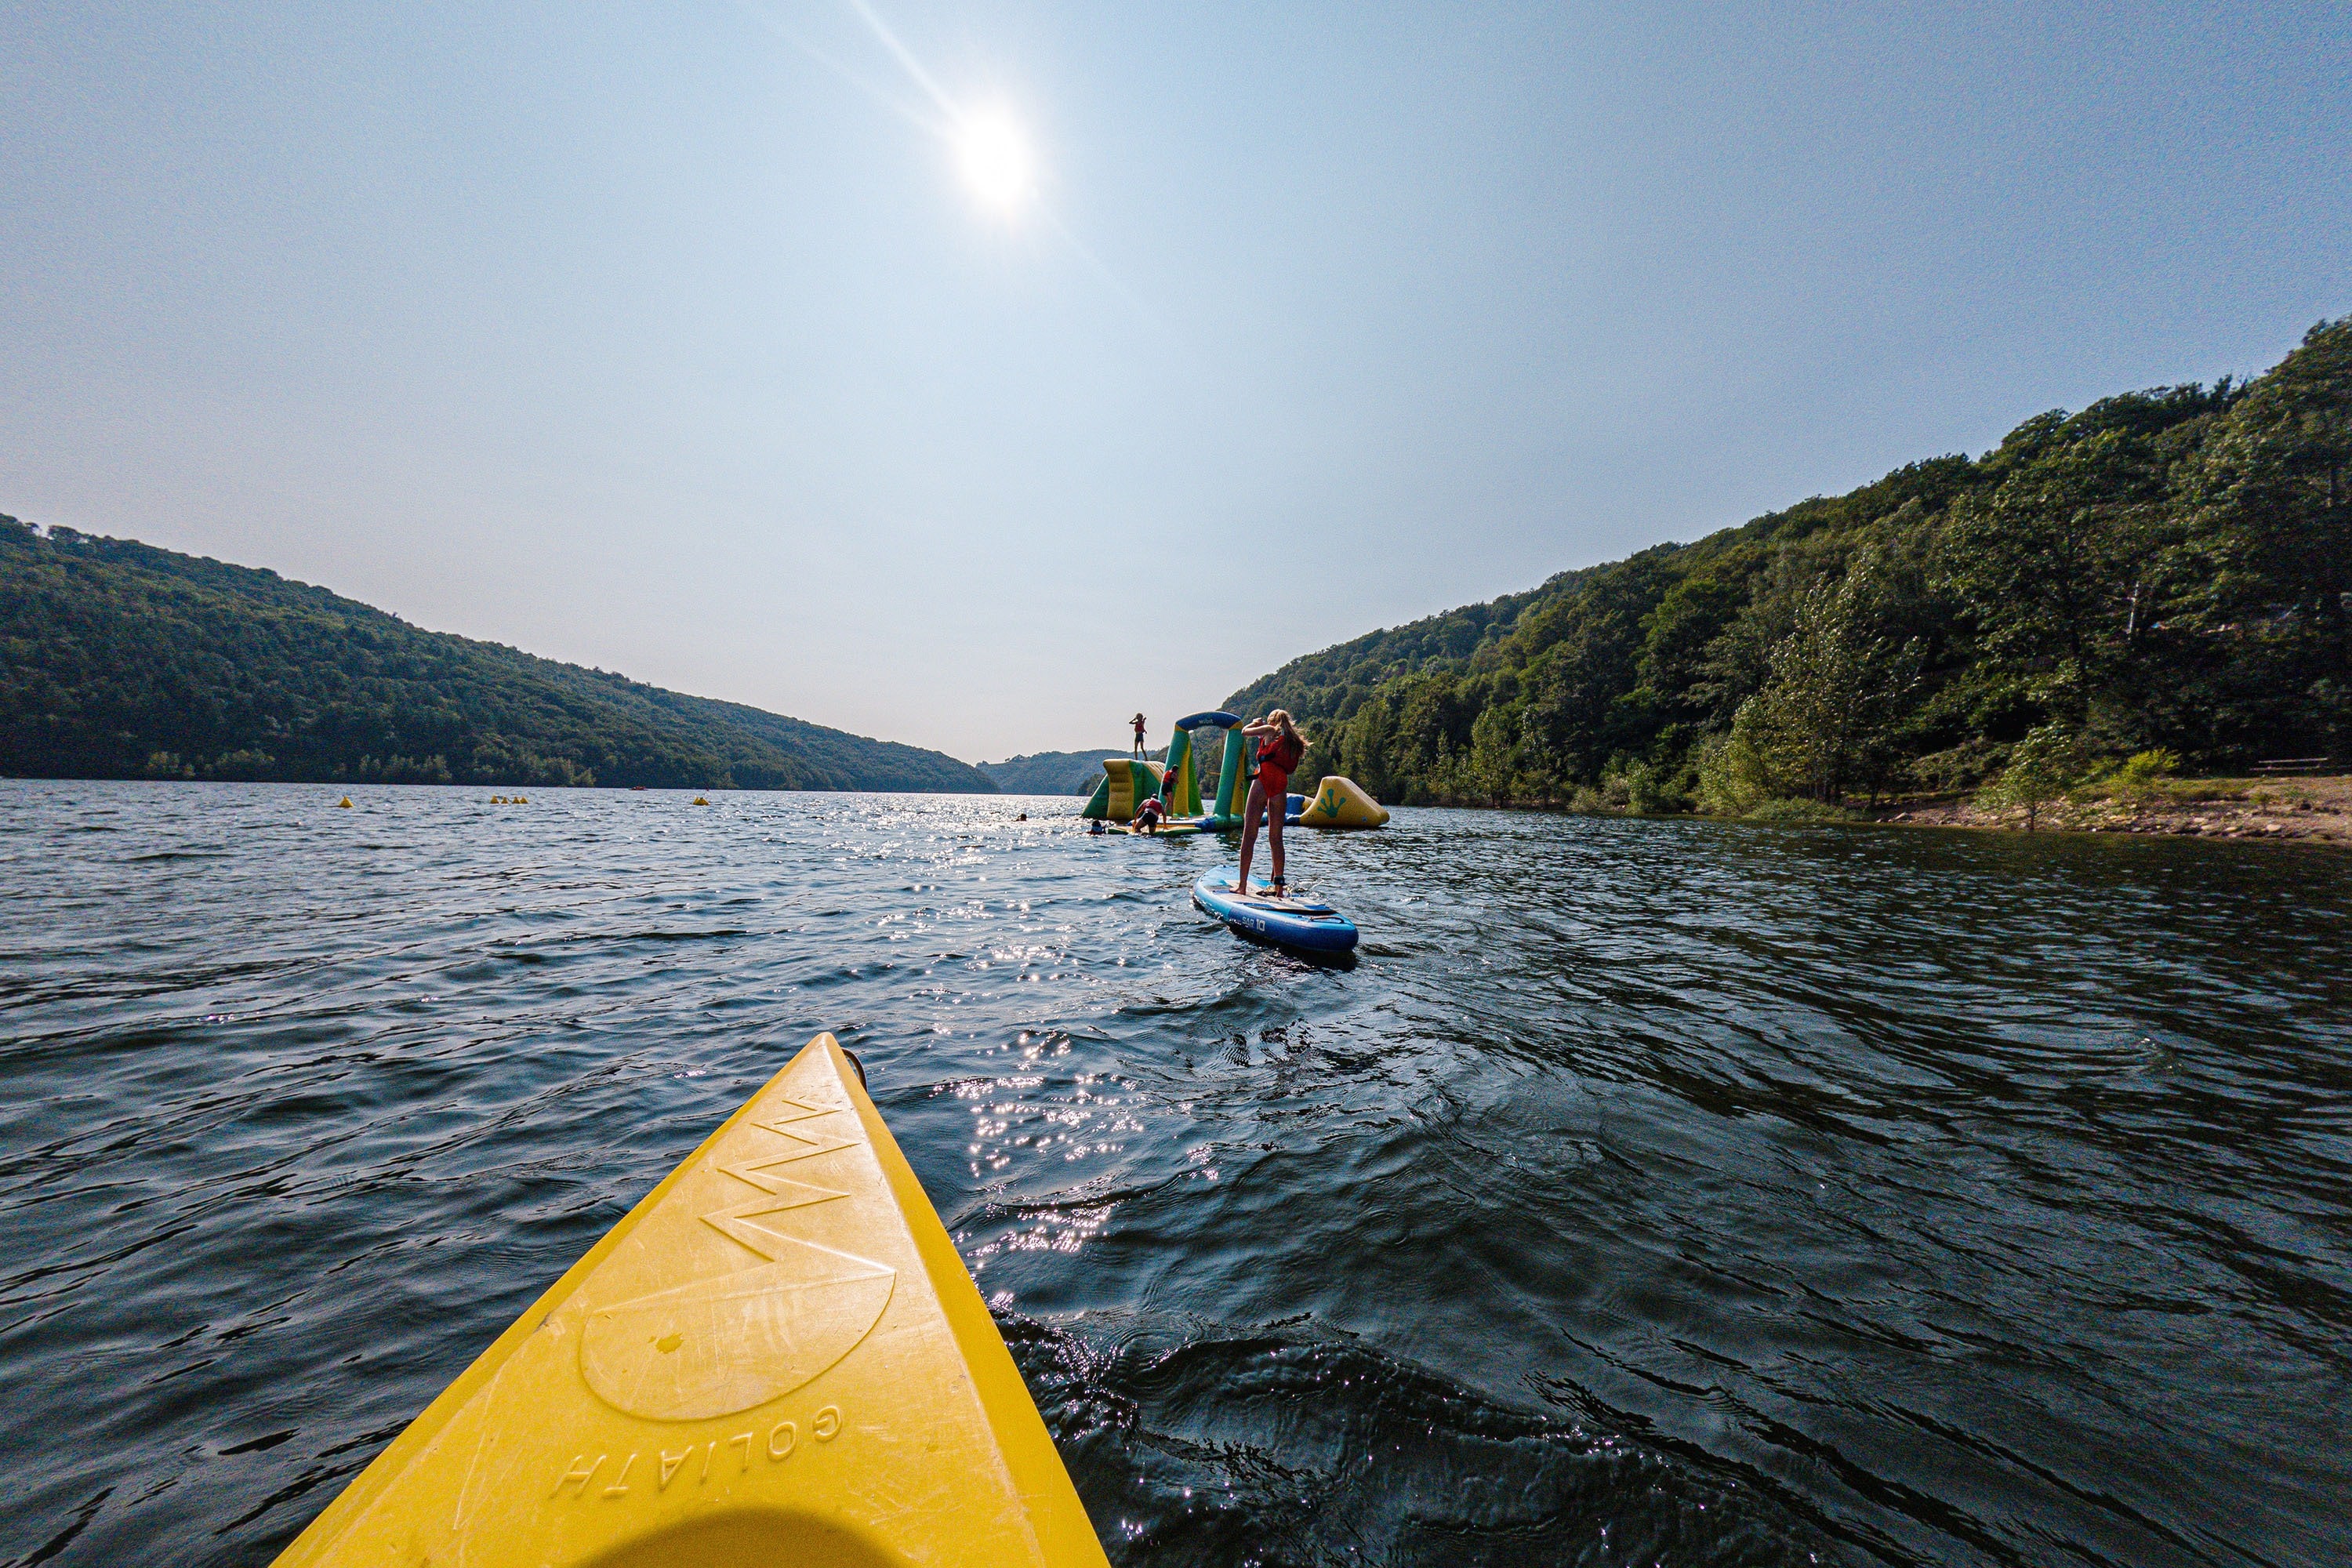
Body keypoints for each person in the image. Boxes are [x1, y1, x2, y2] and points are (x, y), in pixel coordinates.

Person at [1235, 709, 1305, 896]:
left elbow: (1244, 732)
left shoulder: (1269, 730)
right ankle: (1279, 889)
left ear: (1272, 721)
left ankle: (1242, 886)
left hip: (1264, 779)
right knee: (1276, 838)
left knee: (1249, 835)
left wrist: (1255, 723)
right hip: (1281, 783)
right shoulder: (1289, 740)